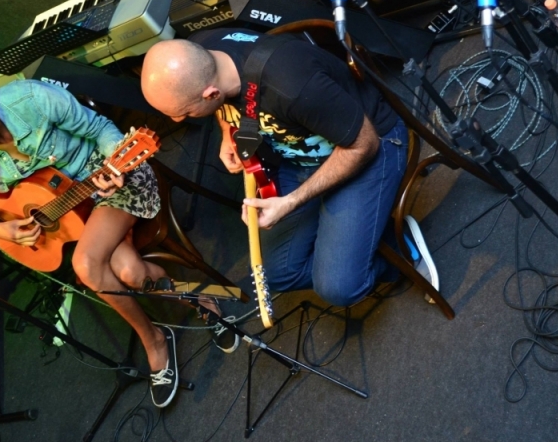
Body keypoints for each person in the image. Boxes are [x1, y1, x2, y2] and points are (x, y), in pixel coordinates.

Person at [0, 78, 238, 408]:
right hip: (72, 212)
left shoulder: (30, 98)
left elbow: (99, 127)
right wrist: (0, 230)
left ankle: (153, 339)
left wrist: (116, 164)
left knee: (85, 266)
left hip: (110, 179)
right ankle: (203, 301)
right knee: (129, 272)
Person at [140, 28, 440, 309]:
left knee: (340, 289)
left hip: (364, 146)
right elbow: (227, 105)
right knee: (275, 275)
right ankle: (359, 237)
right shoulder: (201, 48)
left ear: (211, 94)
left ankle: (401, 248)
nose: (179, 122)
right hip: (297, 157)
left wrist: (291, 202)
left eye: (186, 113)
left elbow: (364, 145)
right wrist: (229, 132)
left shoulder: (291, 84)